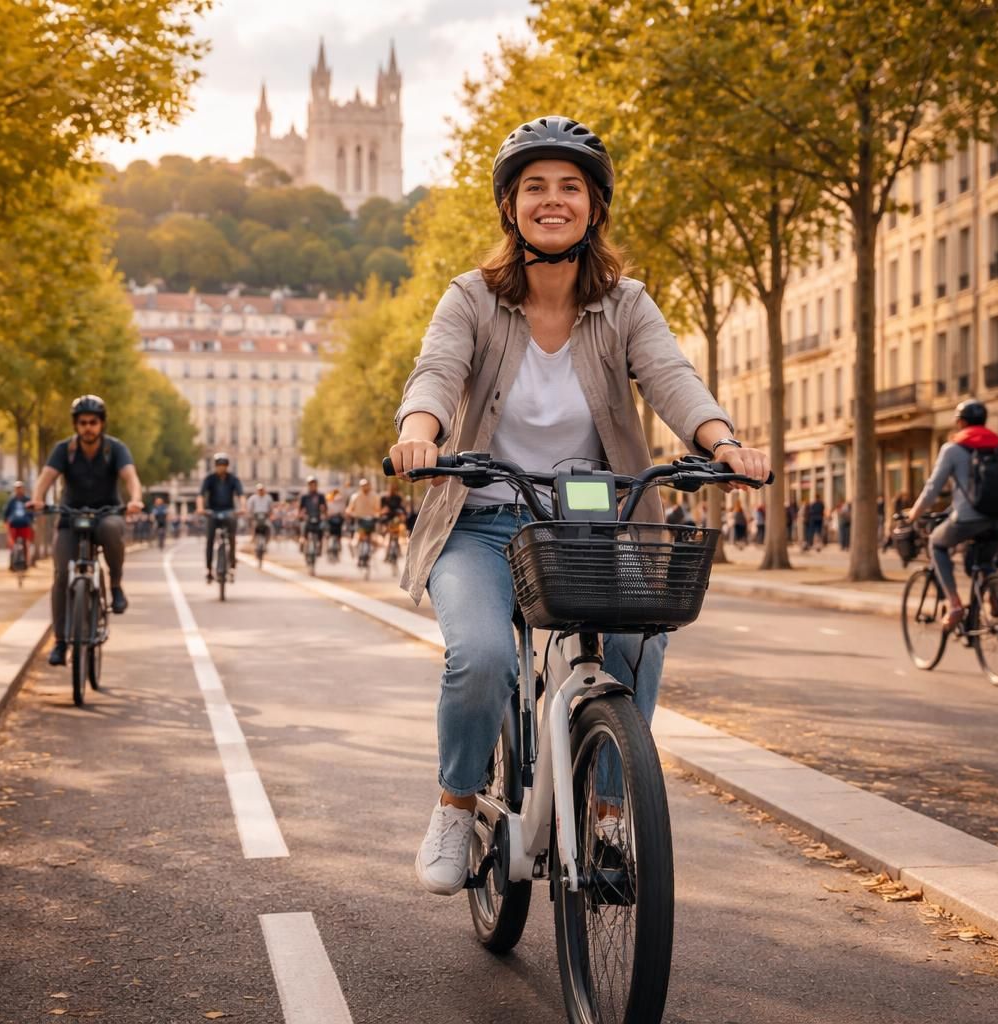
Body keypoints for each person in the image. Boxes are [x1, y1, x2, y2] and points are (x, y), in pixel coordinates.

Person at [386, 115, 770, 895]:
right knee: (483, 657)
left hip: (586, 529)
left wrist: (723, 440)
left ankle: (609, 811)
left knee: (638, 640)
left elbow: (671, 377)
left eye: (570, 187)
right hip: (481, 526)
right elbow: (436, 373)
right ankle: (456, 804)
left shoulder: (625, 305)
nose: (553, 200)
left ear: (594, 207)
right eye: (535, 187)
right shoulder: (471, 298)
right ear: (510, 207)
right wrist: (418, 434)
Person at [29, 395, 144, 666]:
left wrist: (135, 500)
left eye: (93, 422)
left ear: (102, 424)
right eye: (83, 423)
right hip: (71, 516)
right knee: (61, 575)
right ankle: (60, 641)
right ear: (76, 425)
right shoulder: (64, 450)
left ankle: (115, 585)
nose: (88, 428)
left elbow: (130, 477)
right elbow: (46, 477)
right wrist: (37, 499)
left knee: (112, 529)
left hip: (107, 513)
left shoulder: (115, 449)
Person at [907, 399, 998, 630]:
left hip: (968, 519)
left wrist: (914, 513)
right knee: (980, 562)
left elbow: (933, 488)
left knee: (936, 543)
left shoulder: (953, 449)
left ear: (961, 423)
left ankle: (955, 605)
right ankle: (993, 590)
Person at [197, 454, 243, 583]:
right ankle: (208, 569)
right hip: (212, 512)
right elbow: (201, 495)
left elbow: (241, 494)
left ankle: (232, 566)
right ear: (215, 466)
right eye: (219, 465)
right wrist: (200, 508)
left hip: (228, 511)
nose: (221, 468)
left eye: (223, 465)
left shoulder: (233, 479)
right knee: (210, 539)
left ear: (227, 466)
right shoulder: (209, 479)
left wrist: (243, 508)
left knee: (232, 537)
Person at [346, 477, 384, 555]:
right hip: (360, 521)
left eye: (366, 485)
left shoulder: (375, 496)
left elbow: (378, 509)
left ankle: (371, 552)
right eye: (363, 485)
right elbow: (349, 509)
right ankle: (354, 549)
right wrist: (351, 514)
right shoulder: (355, 496)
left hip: (371, 521)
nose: (364, 487)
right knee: (357, 537)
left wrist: (378, 515)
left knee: (374, 539)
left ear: (369, 485)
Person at [3, 481, 34, 565]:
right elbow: (6, 513)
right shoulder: (11, 500)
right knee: (12, 544)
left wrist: (31, 521)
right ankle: (12, 562)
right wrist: (6, 522)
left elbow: (32, 512)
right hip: (13, 524)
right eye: (17, 488)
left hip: (25, 524)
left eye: (20, 488)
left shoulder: (27, 500)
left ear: (23, 489)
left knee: (26, 543)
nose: (19, 490)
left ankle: (26, 562)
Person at [297, 476, 327, 551]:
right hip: (308, 517)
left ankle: (320, 544)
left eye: (314, 484)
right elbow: (301, 508)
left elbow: (324, 507)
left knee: (322, 528)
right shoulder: (304, 496)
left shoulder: (320, 496)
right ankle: (302, 540)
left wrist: (323, 513)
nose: (312, 486)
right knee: (303, 526)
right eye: (311, 484)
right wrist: (301, 514)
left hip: (317, 516)